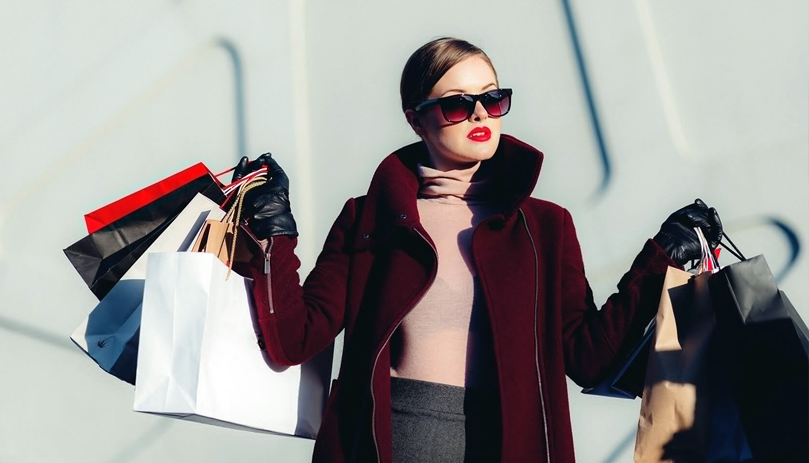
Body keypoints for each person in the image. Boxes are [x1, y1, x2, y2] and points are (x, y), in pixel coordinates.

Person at [232, 37, 723, 463]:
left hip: (510, 444)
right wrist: (274, 231)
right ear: (416, 119)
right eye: (456, 104)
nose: (481, 115)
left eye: (493, 98)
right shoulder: (369, 219)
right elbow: (293, 339)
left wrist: (661, 258)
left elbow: (588, 358)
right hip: (391, 442)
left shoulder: (545, 226)